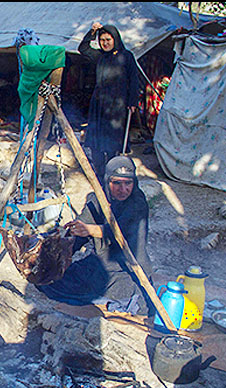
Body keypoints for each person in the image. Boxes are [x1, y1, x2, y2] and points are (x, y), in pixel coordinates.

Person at [37, 156, 155, 316]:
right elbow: (80, 230)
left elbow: (123, 234)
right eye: (117, 183)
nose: (123, 189)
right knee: (53, 281)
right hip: (100, 263)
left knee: (128, 292)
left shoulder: (137, 204)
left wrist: (91, 230)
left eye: (128, 183)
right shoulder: (99, 200)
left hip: (127, 265)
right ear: (107, 182)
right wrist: (61, 251)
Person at [79, 22, 140, 181]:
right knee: (96, 141)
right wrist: (92, 32)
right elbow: (83, 48)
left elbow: (134, 80)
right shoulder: (99, 56)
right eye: (102, 40)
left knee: (113, 141)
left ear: (115, 39)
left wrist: (133, 101)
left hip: (117, 106)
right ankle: (99, 173)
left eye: (108, 40)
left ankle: (113, 171)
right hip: (99, 105)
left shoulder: (126, 56)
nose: (105, 43)